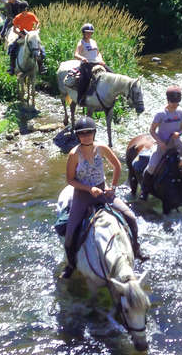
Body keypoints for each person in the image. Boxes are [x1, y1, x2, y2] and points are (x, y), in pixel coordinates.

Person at [61, 116, 148, 279]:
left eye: (89, 132)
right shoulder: (74, 154)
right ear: (78, 135)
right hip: (82, 196)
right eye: (82, 133)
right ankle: (71, 265)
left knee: (130, 217)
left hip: (102, 191)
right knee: (70, 233)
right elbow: (70, 180)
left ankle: (136, 250)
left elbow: (117, 165)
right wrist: (89, 188)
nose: (86, 136)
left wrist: (112, 187)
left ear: (94, 133)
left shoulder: (101, 148)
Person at [139, 85, 182, 201]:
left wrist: (179, 133)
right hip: (163, 143)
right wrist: (160, 142)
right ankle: (144, 190)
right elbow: (152, 131)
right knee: (151, 166)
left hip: (177, 142)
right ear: (168, 100)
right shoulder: (160, 114)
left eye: (177, 102)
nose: (175, 105)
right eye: (173, 102)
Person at [74, 23, 113, 105]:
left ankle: (113, 96)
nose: (89, 34)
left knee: (112, 74)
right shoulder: (81, 42)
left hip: (97, 62)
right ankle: (80, 99)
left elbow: (98, 53)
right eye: (87, 32)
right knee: (86, 79)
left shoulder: (93, 42)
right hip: (86, 63)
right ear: (83, 32)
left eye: (91, 32)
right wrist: (82, 58)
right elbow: (76, 54)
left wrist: (101, 59)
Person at [7, 1, 47, 75]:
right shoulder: (17, 17)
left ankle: (41, 66)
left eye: (25, 10)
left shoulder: (31, 15)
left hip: (32, 33)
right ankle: (12, 67)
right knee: (12, 47)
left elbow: (38, 22)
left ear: (27, 9)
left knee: (40, 48)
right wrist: (22, 36)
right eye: (22, 11)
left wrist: (35, 28)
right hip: (22, 33)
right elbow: (14, 30)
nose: (24, 12)